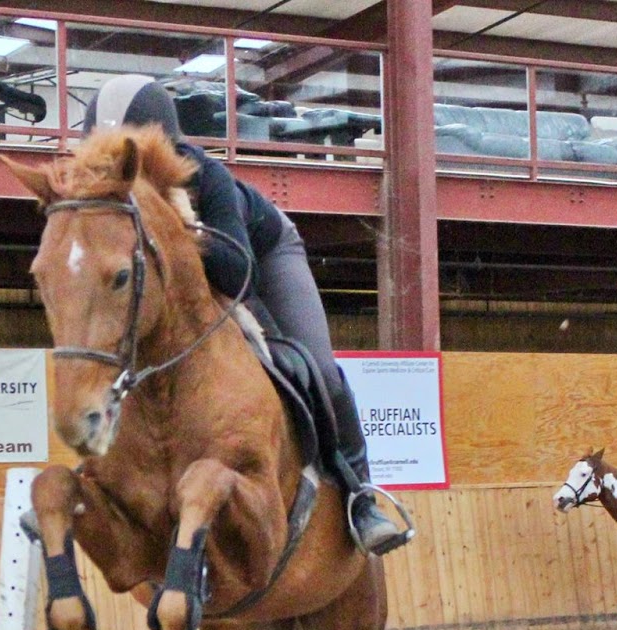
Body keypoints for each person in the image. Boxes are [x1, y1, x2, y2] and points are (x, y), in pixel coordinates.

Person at [84, 74, 412, 557]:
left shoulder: (205, 177)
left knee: (317, 367)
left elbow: (238, 268)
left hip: (264, 256)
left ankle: (360, 495)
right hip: (194, 286)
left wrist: (180, 235)